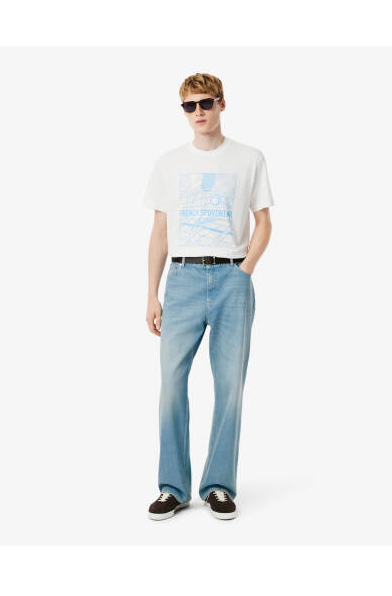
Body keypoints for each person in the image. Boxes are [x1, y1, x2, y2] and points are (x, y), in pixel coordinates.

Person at [142, 72, 274, 520]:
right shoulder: (169, 164)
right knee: (171, 386)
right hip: (181, 279)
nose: (197, 112)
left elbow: (264, 223)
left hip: (232, 278)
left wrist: (244, 272)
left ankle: (218, 485)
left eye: (205, 103)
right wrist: (152, 294)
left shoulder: (249, 158)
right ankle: (173, 488)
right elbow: (159, 232)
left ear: (221, 104)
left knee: (230, 386)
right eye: (189, 105)